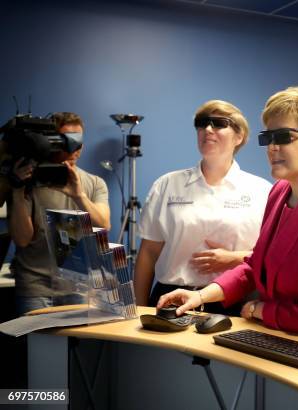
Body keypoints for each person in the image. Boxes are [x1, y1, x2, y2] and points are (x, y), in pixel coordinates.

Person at [158, 84, 298, 340]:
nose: (271, 148)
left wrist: (259, 309)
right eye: (268, 138)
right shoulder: (279, 192)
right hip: (278, 337)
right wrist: (201, 296)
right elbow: (256, 266)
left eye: (283, 137)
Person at [134, 100, 271, 312]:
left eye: (219, 123)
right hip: (170, 299)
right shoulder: (167, 185)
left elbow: (271, 256)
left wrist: (234, 259)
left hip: (235, 302)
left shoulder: (262, 191)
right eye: (202, 123)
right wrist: (139, 309)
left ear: (239, 136)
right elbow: (149, 253)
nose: (208, 129)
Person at [9, 112, 110, 315]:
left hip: (78, 285)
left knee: (77, 346)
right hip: (35, 286)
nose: (76, 146)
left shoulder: (94, 183)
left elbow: (103, 226)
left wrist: (79, 195)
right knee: (39, 346)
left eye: (79, 139)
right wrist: (18, 190)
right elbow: (21, 239)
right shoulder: (28, 181)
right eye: (67, 139)